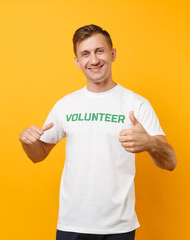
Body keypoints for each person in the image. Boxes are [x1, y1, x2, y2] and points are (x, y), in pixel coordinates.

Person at [19, 24, 177, 240]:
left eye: (99, 51)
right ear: (77, 61)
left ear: (112, 54)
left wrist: (151, 143)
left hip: (119, 227)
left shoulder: (136, 104)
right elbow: (38, 155)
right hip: (72, 224)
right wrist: (28, 143)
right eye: (85, 54)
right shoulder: (66, 104)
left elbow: (170, 162)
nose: (93, 60)